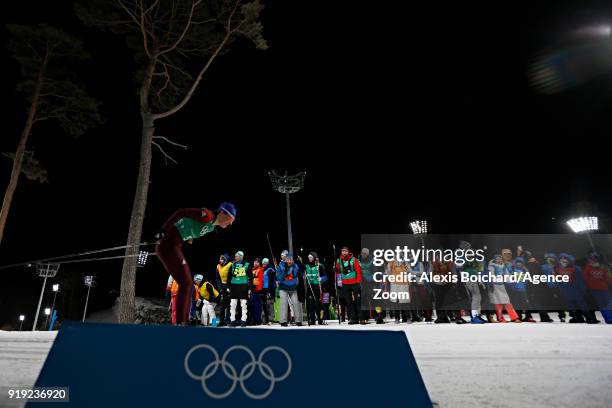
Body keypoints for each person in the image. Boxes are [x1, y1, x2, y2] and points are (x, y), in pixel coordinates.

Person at [155, 203, 236, 325]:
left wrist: (189, 237)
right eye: (231, 220)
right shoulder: (207, 215)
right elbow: (181, 212)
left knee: (188, 285)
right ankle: (182, 323)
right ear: (223, 212)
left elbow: (189, 226)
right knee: (187, 284)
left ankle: (184, 322)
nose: (230, 224)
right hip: (168, 242)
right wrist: (163, 230)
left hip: (174, 244)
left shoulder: (211, 227)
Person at [555, 252, 593, 323]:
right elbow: (558, 280)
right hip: (566, 291)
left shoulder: (575, 268)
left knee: (582, 304)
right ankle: (578, 317)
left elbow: (580, 280)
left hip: (575, 290)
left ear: (568, 260)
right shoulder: (558, 270)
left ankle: (589, 317)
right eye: (561, 259)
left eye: (565, 259)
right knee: (571, 306)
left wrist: (583, 290)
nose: (563, 261)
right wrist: (561, 289)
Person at [488, 254, 521, 323]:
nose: (499, 260)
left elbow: (507, 276)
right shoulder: (492, 266)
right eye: (497, 259)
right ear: (495, 260)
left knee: (507, 301)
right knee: (498, 302)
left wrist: (512, 280)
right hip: (495, 286)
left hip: (502, 285)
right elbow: (491, 276)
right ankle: (500, 318)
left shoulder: (503, 266)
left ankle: (514, 317)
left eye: (500, 259)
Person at [335, 246, 364, 324]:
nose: (344, 252)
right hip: (345, 284)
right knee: (349, 302)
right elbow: (338, 273)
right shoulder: (338, 261)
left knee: (358, 301)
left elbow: (358, 271)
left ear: (348, 252)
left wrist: (358, 281)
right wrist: (339, 283)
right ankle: (353, 318)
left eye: (345, 251)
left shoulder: (354, 260)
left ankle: (361, 318)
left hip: (355, 283)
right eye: (343, 251)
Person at [582, 251, 612, 324]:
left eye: (594, 259)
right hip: (594, 290)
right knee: (601, 305)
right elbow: (585, 278)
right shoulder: (588, 268)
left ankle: (610, 317)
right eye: (591, 259)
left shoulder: (603, 267)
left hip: (605, 289)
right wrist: (587, 288)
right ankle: (608, 319)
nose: (592, 261)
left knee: (609, 303)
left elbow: (608, 278)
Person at [277, 253, 303, 326]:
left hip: (293, 287)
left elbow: (298, 274)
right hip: (283, 288)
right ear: (285, 260)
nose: (289, 261)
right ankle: (283, 321)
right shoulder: (281, 266)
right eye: (288, 260)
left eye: (290, 260)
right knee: (283, 304)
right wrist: (285, 271)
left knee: (296, 303)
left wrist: (301, 267)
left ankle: (298, 321)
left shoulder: (295, 266)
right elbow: (279, 278)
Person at [228, 251, 252, 327]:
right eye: (235, 256)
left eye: (237, 256)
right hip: (234, 286)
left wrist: (250, 288)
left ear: (241, 257)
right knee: (232, 304)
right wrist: (228, 287)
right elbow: (229, 276)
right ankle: (232, 321)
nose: (235, 257)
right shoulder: (232, 265)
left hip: (243, 286)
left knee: (243, 305)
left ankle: (243, 321)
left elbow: (251, 277)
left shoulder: (247, 265)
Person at [305, 251, 327, 325]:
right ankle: (312, 320)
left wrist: (321, 279)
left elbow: (326, 277)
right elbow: (302, 272)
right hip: (310, 287)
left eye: (311, 257)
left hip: (318, 287)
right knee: (311, 304)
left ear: (314, 257)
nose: (310, 259)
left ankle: (321, 319)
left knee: (319, 305)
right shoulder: (307, 265)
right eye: (309, 257)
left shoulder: (319, 266)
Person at [215, 253, 233, 326]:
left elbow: (231, 276)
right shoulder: (218, 266)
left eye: (222, 259)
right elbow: (218, 278)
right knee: (222, 305)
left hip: (229, 286)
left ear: (225, 260)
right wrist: (220, 288)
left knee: (229, 305)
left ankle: (228, 320)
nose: (220, 260)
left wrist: (229, 287)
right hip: (222, 287)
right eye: (220, 259)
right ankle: (221, 321)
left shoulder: (230, 265)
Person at [249, 258, 265, 325]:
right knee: (251, 306)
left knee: (257, 307)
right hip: (252, 290)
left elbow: (260, 280)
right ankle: (252, 320)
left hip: (257, 291)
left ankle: (258, 320)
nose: (255, 263)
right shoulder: (252, 270)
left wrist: (259, 289)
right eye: (254, 262)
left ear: (259, 263)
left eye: (257, 262)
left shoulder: (261, 269)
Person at [262, 258, 276, 324]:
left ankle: (271, 318)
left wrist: (269, 291)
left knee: (270, 303)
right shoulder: (264, 270)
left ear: (267, 263)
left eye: (265, 263)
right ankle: (266, 318)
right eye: (263, 263)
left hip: (269, 289)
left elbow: (270, 281)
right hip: (264, 289)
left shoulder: (270, 270)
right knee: (265, 304)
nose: (263, 264)